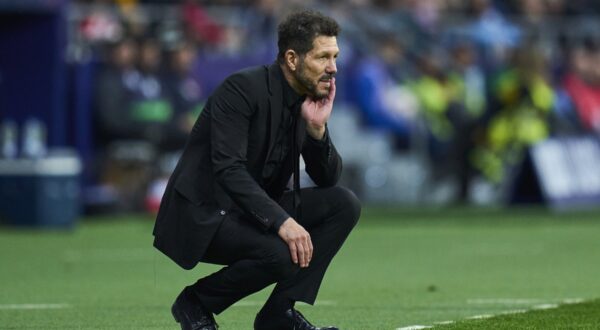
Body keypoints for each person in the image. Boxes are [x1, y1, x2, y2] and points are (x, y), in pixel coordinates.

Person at [152, 10, 361, 330]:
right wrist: (282, 222)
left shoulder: (304, 101)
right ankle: (196, 302)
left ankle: (278, 314)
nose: (332, 68)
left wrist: (317, 131)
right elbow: (229, 169)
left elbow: (327, 179)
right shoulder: (241, 89)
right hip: (205, 214)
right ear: (292, 58)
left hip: (250, 213)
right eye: (323, 57)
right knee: (281, 252)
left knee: (343, 204)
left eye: (334, 57)